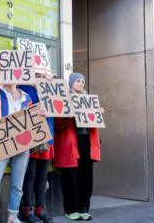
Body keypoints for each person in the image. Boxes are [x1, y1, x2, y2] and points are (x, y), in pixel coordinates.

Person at [0, 63, 47, 223]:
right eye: (9, 74)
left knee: (17, 185)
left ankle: (12, 216)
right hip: (2, 144)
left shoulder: (27, 97)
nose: (13, 77)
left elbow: (32, 121)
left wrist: (40, 113)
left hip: (22, 146)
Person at [54, 73, 102, 221]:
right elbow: (56, 123)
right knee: (70, 177)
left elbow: (95, 123)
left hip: (87, 141)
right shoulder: (63, 99)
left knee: (86, 178)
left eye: (83, 81)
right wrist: (67, 115)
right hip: (70, 143)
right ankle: (71, 210)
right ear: (71, 83)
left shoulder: (89, 100)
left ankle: (84, 209)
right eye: (78, 81)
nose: (81, 84)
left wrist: (98, 113)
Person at [18, 74, 55, 223]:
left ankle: (40, 208)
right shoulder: (23, 87)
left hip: (48, 135)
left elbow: (60, 109)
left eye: (41, 74)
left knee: (42, 175)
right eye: (36, 74)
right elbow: (19, 110)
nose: (39, 77)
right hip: (31, 137)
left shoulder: (49, 89)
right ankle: (26, 209)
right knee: (30, 174)